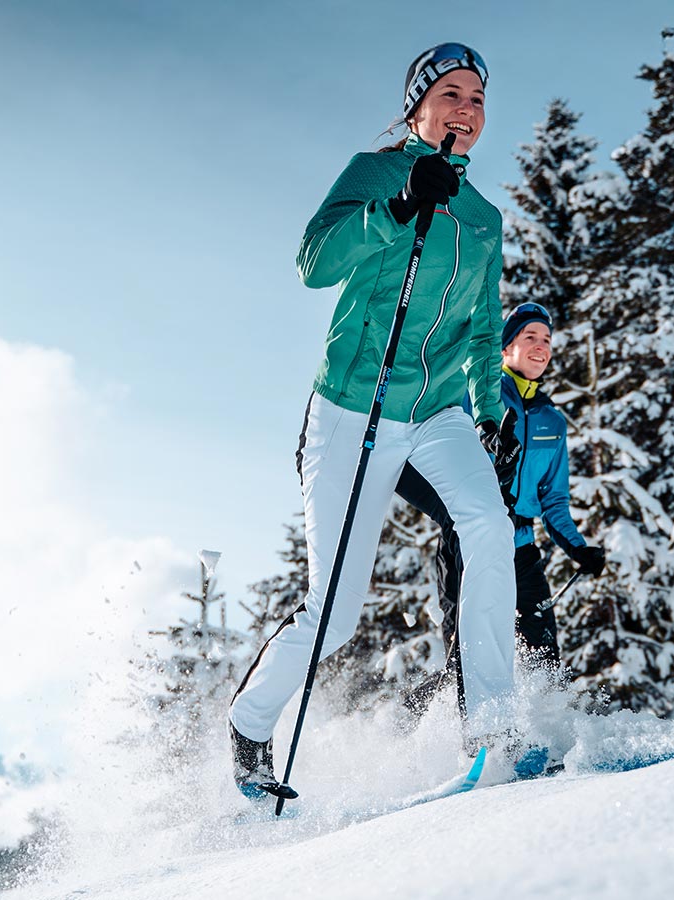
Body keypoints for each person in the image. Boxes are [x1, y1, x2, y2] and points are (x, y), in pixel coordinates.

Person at [227, 42, 528, 799]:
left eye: (478, 99)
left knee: (488, 528)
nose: (466, 110)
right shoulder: (375, 173)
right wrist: (397, 208)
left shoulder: (483, 219)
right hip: (351, 408)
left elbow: (483, 328)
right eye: (451, 94)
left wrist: (493, 412)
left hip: (437, 412)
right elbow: (315, 264)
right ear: (417, 107)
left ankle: (493, 727)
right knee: (334, 612)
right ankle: (250, 723)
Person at [398, 303, 605, 720]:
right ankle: (419, 724)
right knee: (466, 656)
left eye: (546, 340)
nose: (541, 346)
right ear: (506, 348)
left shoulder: (552, 421)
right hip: (468, 544)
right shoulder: (478, 395)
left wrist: (578, 548)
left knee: (544, 656)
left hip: (522, 550)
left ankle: (546, 736)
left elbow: (554, 500)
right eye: (530, 337)